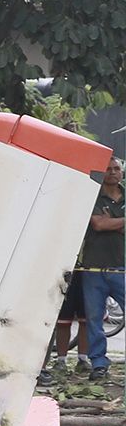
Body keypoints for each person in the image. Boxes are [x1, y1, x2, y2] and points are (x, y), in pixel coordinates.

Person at [80, 157, 124, 381]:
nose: (113, 173)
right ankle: (98, 363)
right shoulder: (94, 195)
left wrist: (112, 223)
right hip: (94, 268)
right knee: (94, 318)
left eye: (117, 169)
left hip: (122, 268)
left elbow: (106, 224)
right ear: (102, 173)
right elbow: (98, 224)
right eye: (109, 169)